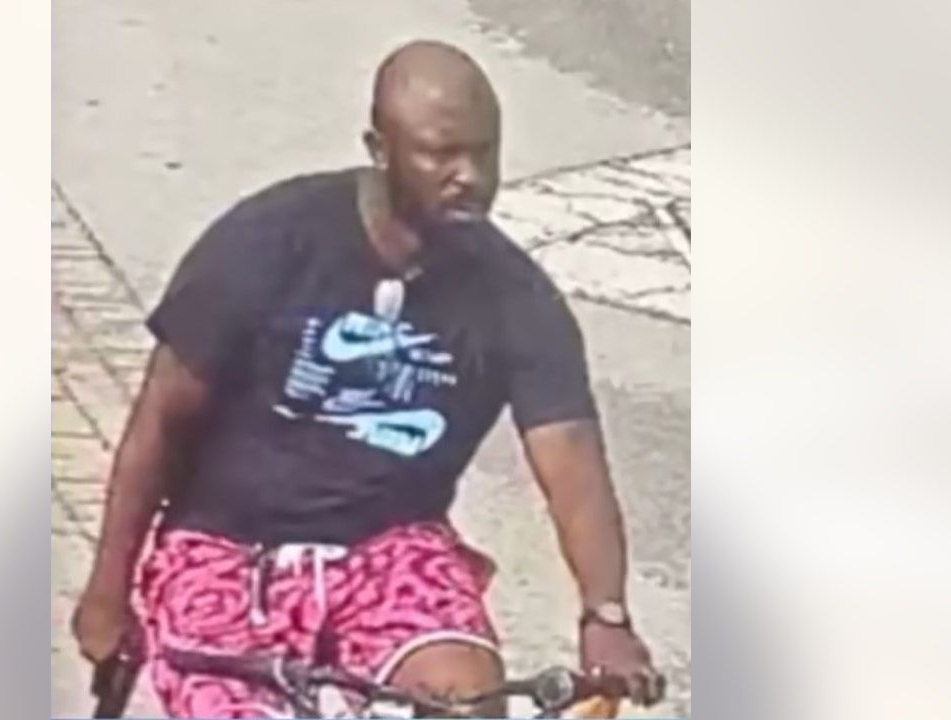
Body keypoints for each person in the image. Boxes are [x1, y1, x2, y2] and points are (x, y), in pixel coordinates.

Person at [71, 39, 664, 718]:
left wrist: (606, 615)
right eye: (442, 154)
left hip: (393, 549)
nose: (470, 176)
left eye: (484, 153)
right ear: (380, 149)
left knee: (467, 703)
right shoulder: (265, 243)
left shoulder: (513, 295)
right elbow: (160, 423)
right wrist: (107, 593)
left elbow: (572, 460)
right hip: (229, 551)